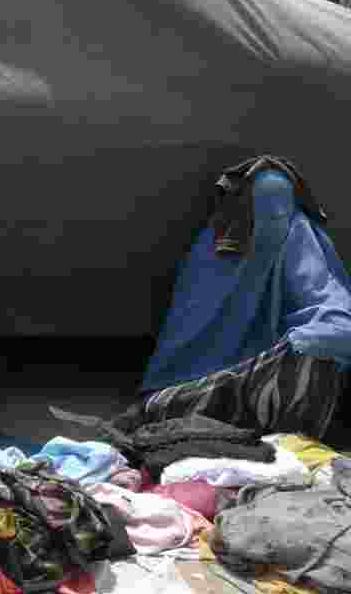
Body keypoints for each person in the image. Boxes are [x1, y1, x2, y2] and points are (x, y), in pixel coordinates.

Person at [139, 157, 351, 440]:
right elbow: (185, 333)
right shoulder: (215, 256)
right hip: (208, 378)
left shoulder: (299, 239)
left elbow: (329, 300)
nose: (271, 222)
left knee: (319, 346)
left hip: (275, 365)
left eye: (278, 213)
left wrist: (319, 334)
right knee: (165, 406)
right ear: (243, 214)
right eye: (262, 211)